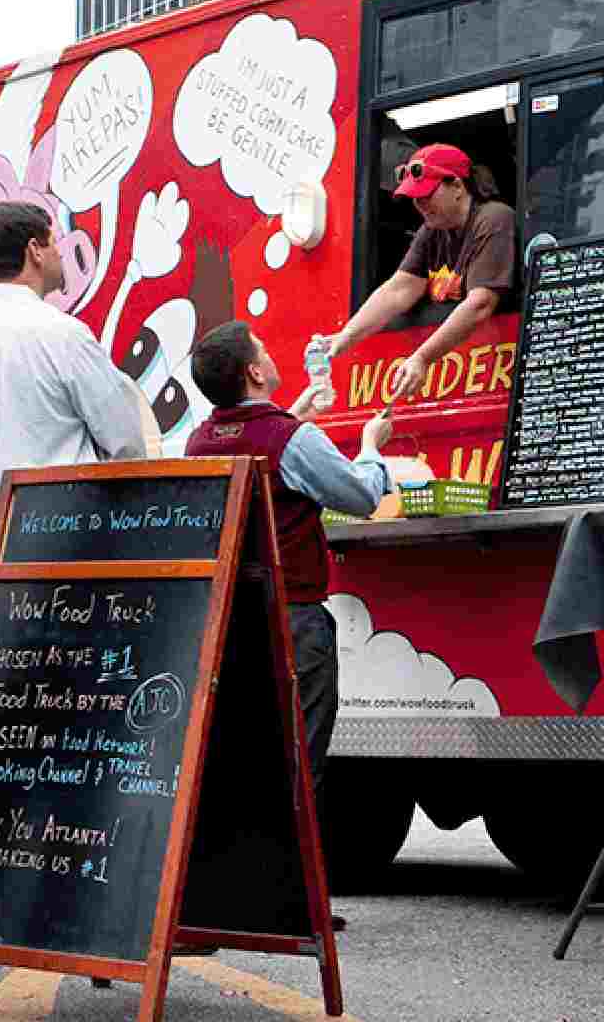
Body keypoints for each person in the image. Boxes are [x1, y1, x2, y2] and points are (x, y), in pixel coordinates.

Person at [185, 320, 390, 932]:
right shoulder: (290, 439)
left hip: (230, 622)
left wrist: (298, 414)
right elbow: (359, 495)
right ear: (252, 372)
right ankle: (295, 901)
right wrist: (374, 446)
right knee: (301, 759)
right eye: (266, 350)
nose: (272, 355)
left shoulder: (200, 441)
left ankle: (239, 893)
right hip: (294, 618)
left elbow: (260, 446)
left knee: (243, 756)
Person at [0, 200, 148, 594]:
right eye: (55, 242)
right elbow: (125, 440)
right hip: (55, 535)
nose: (59, 253)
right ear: (35, 250)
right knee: (68, 654)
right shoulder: (61, 333)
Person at [318, 143, 517, 401]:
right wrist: (343, 339)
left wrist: (422, 358)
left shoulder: (494, 219)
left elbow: (481, 303)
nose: (420, 205)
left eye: (427, 195)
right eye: (415, 198)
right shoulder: (432, 230)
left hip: (496, 374)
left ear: (457, 187)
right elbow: (398, 290)